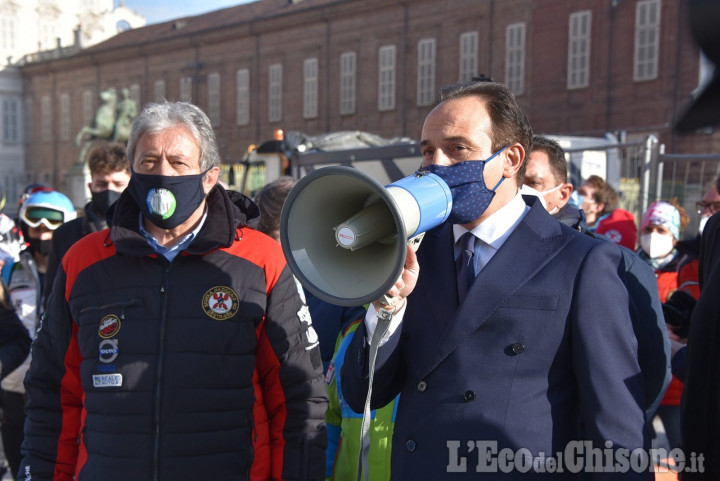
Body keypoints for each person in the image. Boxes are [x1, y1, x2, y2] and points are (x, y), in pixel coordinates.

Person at [341, 80, 648, 479]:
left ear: (511, 158)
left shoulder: (581, 261)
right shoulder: (414, 253)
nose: (438, 164)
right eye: (428, 150)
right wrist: (387, 309)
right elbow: (365, 391)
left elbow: (616, 420)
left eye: (458, 148)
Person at [19, 101, 327, 481]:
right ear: (132, 171)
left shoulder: (261, 260)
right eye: (148, 162)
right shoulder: (83, 262)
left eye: (178, 163)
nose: (162, 174)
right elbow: (51, 395)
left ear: (209, 177)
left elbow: (298, 399)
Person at [525, 135, 669, 420]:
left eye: (533, 183)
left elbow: (652, 369)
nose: (520, 192)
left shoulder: (617, 264)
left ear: (562, 194)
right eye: (514, 182)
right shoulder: (478, 253)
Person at [255, 175, 366, 372]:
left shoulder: (343, 286)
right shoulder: (252, 284)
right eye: (281, 237)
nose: (292, 246)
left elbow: (355, 359)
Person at [3, 190, 76, 480]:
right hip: (15, 385)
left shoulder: (76, 270)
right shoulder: (10, 270)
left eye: (51, 226)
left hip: (57, 385)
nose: (43, 233)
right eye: (36, 225)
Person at [637, 200, 694, 453]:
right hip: (638, 381)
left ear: (674, 237)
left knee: (685, 453)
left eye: (661, 231)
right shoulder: (625, 265)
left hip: (676, 390)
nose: (653, 236)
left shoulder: (686, 271)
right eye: (649, 229)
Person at [43, 142, 131, 307]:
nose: (109, 191)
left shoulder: (144, 232)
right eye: (102, 184)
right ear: (90, 187)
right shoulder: (66, 235)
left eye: (118, 185)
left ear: (131, 186)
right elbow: (53, 298)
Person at [577, 175, 638, 250]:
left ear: (598, 207)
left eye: (582, 193)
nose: (575, 195)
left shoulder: (606, 233)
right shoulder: (577, 225)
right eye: (578, 191)